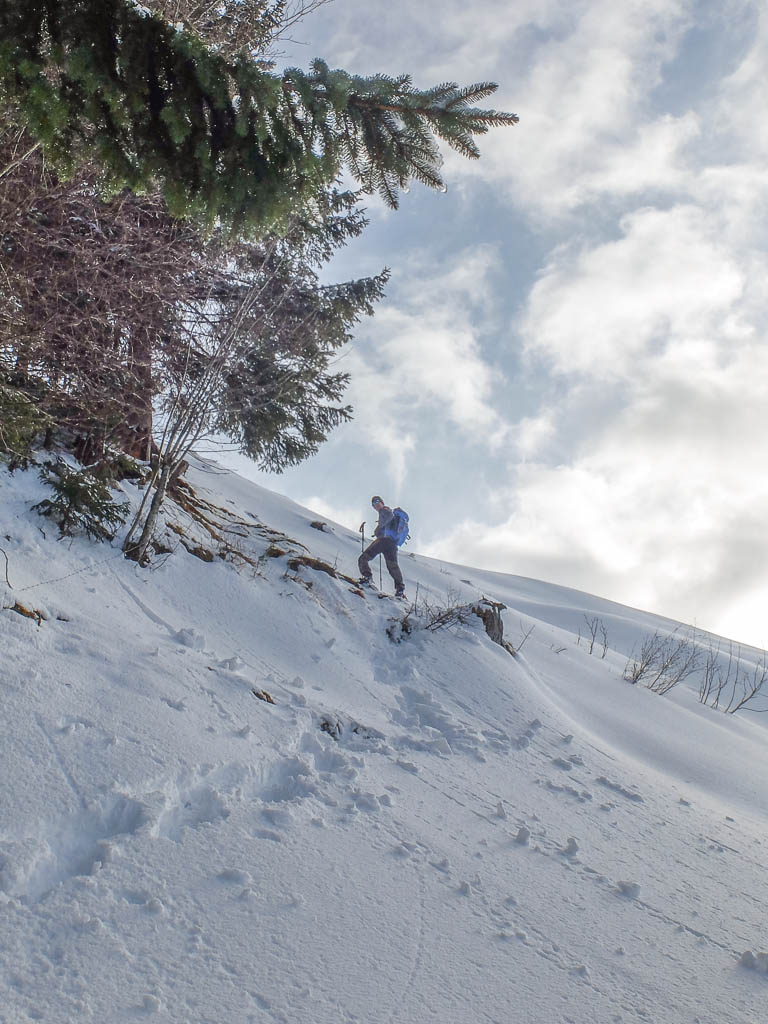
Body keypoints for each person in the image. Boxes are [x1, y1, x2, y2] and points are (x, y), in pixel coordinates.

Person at [358, 495, 405, 597]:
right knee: (393, 566)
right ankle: (400, 589)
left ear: (382, 503)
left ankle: (367, 577)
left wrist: (378, 530)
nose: (376, 505)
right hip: (392, 544)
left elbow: (387, 520)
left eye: (377, 502)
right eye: (373, 504)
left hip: (384, 541)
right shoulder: (387, 512)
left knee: (363, 558)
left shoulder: (385, 511)